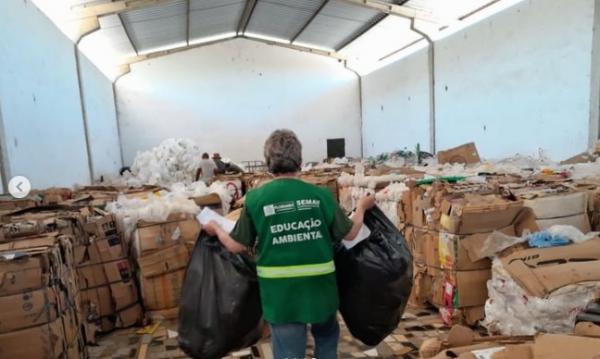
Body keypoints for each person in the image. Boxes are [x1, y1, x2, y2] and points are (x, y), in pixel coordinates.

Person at [205, 129, 375, 359]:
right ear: (301, 162)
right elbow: (351, 233)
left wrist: (215, 228)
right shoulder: (320, 195)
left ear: (267, 164)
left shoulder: (256, 198)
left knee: (288, 353)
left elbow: (236, 245)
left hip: (281, 295)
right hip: (320, 291)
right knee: (326, 344)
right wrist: (362, 207)